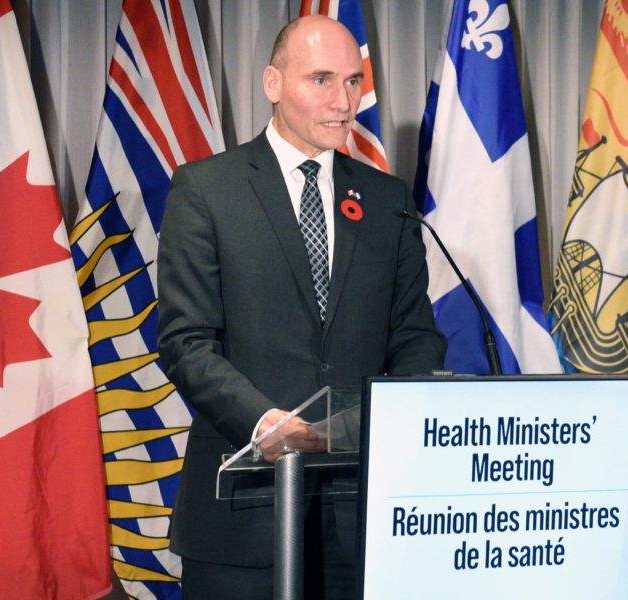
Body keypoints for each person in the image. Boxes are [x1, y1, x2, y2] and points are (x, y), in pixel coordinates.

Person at [157, 15, 446, 599]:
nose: (343, 101)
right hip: (242, 520)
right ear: (272, 83)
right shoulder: (207, 190)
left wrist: (410, 417)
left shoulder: (388, 201)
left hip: (362, 523)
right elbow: (186, 342)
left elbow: (413, 336)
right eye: (321, 79)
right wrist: (265, 423)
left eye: (352, 81)